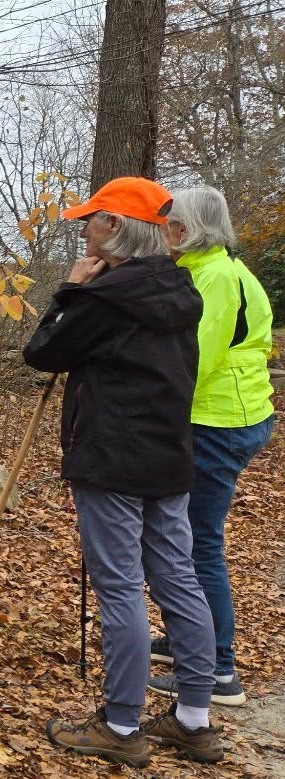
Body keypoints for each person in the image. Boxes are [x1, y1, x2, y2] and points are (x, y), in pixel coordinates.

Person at [24, 177, 222, 766]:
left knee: (119, 587)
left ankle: (120, 724)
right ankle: (194, 718)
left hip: (112, 457)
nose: (83, 229)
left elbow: (42, 352)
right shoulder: (179, 286)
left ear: (114, 227)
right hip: (167, 454)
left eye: (91, 220)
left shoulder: (107, 298)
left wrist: (70, 290)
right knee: (177, 579)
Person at [147, 186, 275, 708]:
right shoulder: (208, 270)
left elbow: (192, 361)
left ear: (188, 228)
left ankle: (220, 670)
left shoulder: (217, 277)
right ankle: (187, 641)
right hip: (222, 417)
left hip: (219, 422)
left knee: (198, 544)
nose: (164, 232)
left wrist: (150, 414)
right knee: (189, 539)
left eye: (170, 223)